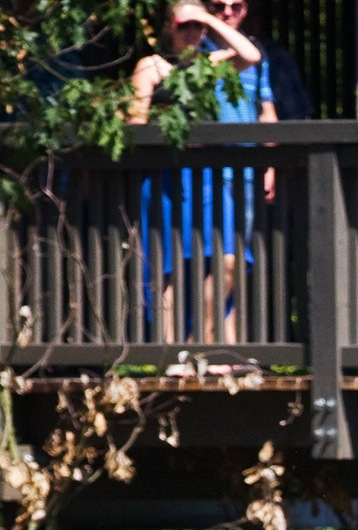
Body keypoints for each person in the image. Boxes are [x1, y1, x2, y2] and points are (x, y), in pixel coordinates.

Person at [129, 1, 272, 349]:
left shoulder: (209, 64)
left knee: (228, 259)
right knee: (167, 265)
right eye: (185, 25)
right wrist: (168, 136)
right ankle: (168, 352)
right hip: (166, 177)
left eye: (198, 27)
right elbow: (135, 122)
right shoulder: (151, 66)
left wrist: (207, 17)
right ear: (169, 28)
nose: (192, 32)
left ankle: (199, 342)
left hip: (208, 178)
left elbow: (250, 55)